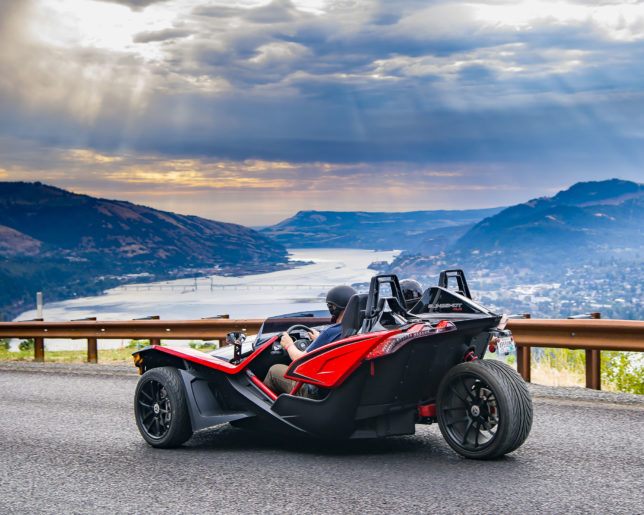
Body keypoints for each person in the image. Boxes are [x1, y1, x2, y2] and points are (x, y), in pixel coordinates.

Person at [263, 284, 357, 396]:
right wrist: (319, 339)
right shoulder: (354, 329)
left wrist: (289, 345)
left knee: (274, 370)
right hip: (337, 388)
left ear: (334, 307)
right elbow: (335, 345)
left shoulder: (331, 331)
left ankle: (267, 410)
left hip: (315, 390)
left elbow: (301, 360)